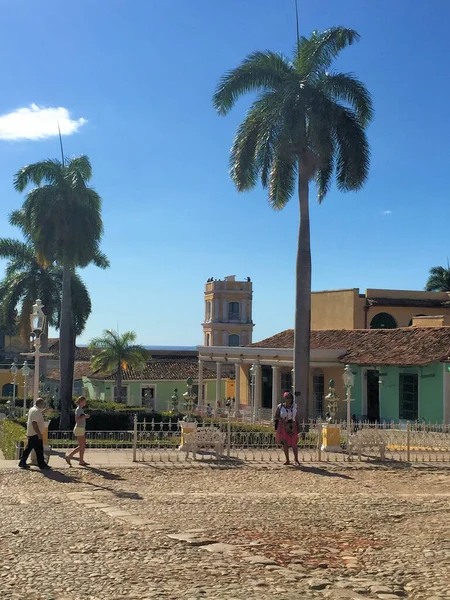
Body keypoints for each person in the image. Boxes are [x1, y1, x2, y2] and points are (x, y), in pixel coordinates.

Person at [18, 398, 51, 470]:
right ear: (40, 404)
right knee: (37, 449)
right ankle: (41, 465)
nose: (43, 405)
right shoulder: (36, 411)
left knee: (32, 449)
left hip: (32, 433)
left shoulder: (33, 409)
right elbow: (34, 423)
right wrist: (39, 433)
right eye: (43, 404)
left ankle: (23, 462)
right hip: (35, 434)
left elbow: (36, 417)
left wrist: (43, 412)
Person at [274, 392, 300, 466]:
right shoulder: (280, 406)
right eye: (287, 398)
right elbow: (276, 416)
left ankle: (296, 459)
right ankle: (287, 460)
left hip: (293, 425)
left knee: (294, 443)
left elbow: (296, 417)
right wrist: (282, 419)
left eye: (290, 398)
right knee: (285, 444)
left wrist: (298, 426)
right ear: (284, 398)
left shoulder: (294, 406)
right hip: (284, 426)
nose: (289, 399)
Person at [65, 396, 90, 467]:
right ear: (81, 401)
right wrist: (84, 417)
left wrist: (84, 416)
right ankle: (69, 456)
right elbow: (77, 419)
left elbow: (80, 417)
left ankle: (81, 461)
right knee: (81, 446)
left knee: (83, 445)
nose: (85, 403)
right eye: (84, 401)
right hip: (79, 428)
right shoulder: (78, 409)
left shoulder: (80, 409)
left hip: (81, 428)